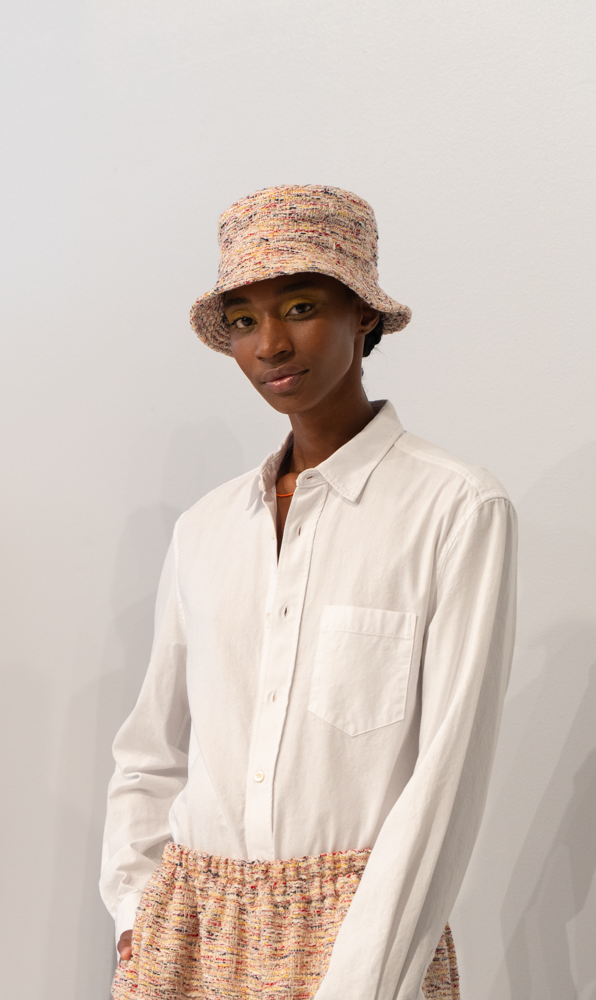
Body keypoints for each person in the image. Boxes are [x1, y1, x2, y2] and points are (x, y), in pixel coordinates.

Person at [100, 186, 518, 999]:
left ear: (364, 314)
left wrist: (362, 979)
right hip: (186, 938)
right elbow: (151, 750)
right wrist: (134, 919)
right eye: (245, 319)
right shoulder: (206, 528)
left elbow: (447, 779)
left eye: (300, 306)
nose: (271, 344)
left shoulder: (456, 508)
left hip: (361, 952)